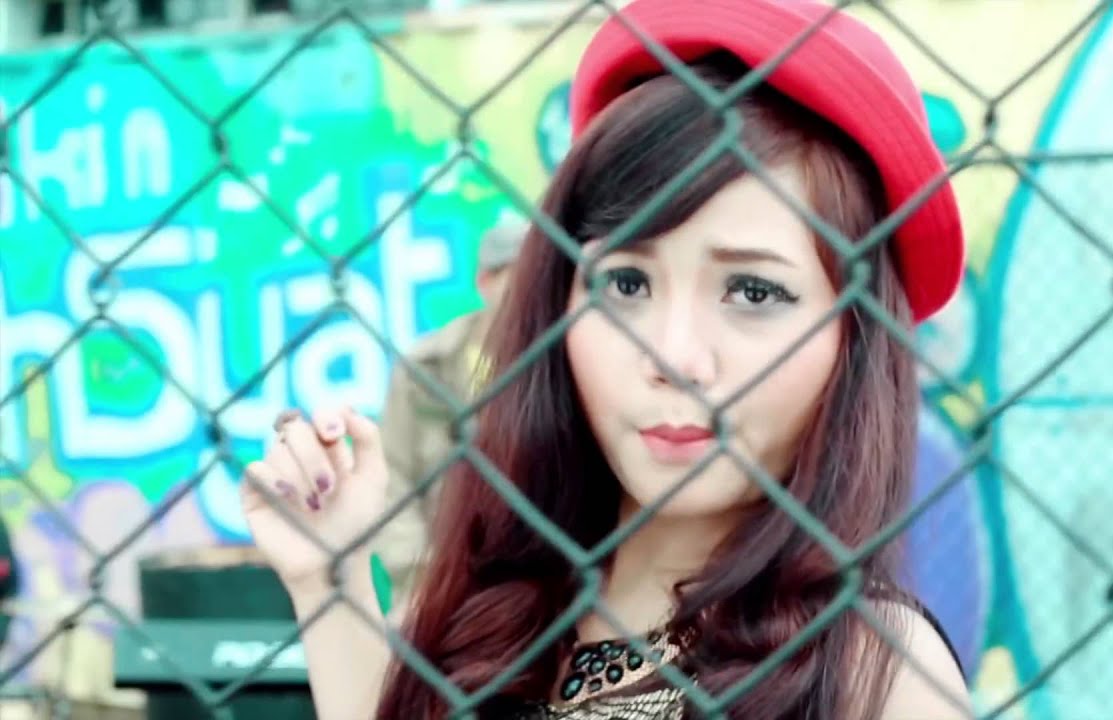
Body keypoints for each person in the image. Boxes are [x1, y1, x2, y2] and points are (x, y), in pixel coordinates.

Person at [238, 0, 972, 718]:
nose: (673, 356)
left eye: (752, 291)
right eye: (625, 283)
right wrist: (328, 579)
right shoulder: (487, 614)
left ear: (852, 336)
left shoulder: (875, 671)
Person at [373, 221, 526, 618]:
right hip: (434, 573)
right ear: (485, 282)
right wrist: (418, 573)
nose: (529, 293)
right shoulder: (427, 366)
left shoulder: (563, 360)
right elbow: (392, 477)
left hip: (533, 578)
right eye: (517, 277)